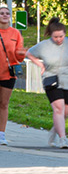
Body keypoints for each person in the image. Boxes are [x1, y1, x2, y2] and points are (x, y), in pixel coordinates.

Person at [0, 4, 26, 144]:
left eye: (7, 13)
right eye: (1, 13)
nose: (5, 15)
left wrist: (22, 53)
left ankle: (2, 134)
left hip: (9, 72)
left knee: (4, 104)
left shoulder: (15, 33)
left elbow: (18, 54)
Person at [25, 18, 68, 148]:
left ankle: (54, 132)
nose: (59, 39)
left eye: (61, 36)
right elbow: (28, 53)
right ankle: (63, 139)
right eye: (55, 37)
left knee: (65, 112)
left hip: (66, 79)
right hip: (52, 78)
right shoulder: (43, 46)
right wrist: (40, 64)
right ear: (51, 35)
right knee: (58, 108)